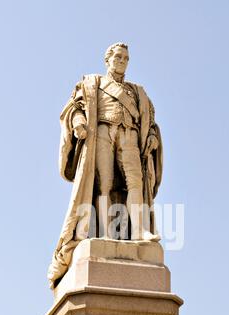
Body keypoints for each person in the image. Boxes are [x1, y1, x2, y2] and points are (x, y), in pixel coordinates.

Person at [48, 42, 163, 289]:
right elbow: (74, 107)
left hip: (130, 135)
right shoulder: (93, 82)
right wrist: (78, 122)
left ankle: (141, 231)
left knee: (135, 182)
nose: (122, 61)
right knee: (104, 184)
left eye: (126, 58)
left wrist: (152, 136)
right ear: (108, 60)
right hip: (101, 131)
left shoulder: (138, 93)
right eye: (118, 57)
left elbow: (150, 122)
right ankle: (107, 233)